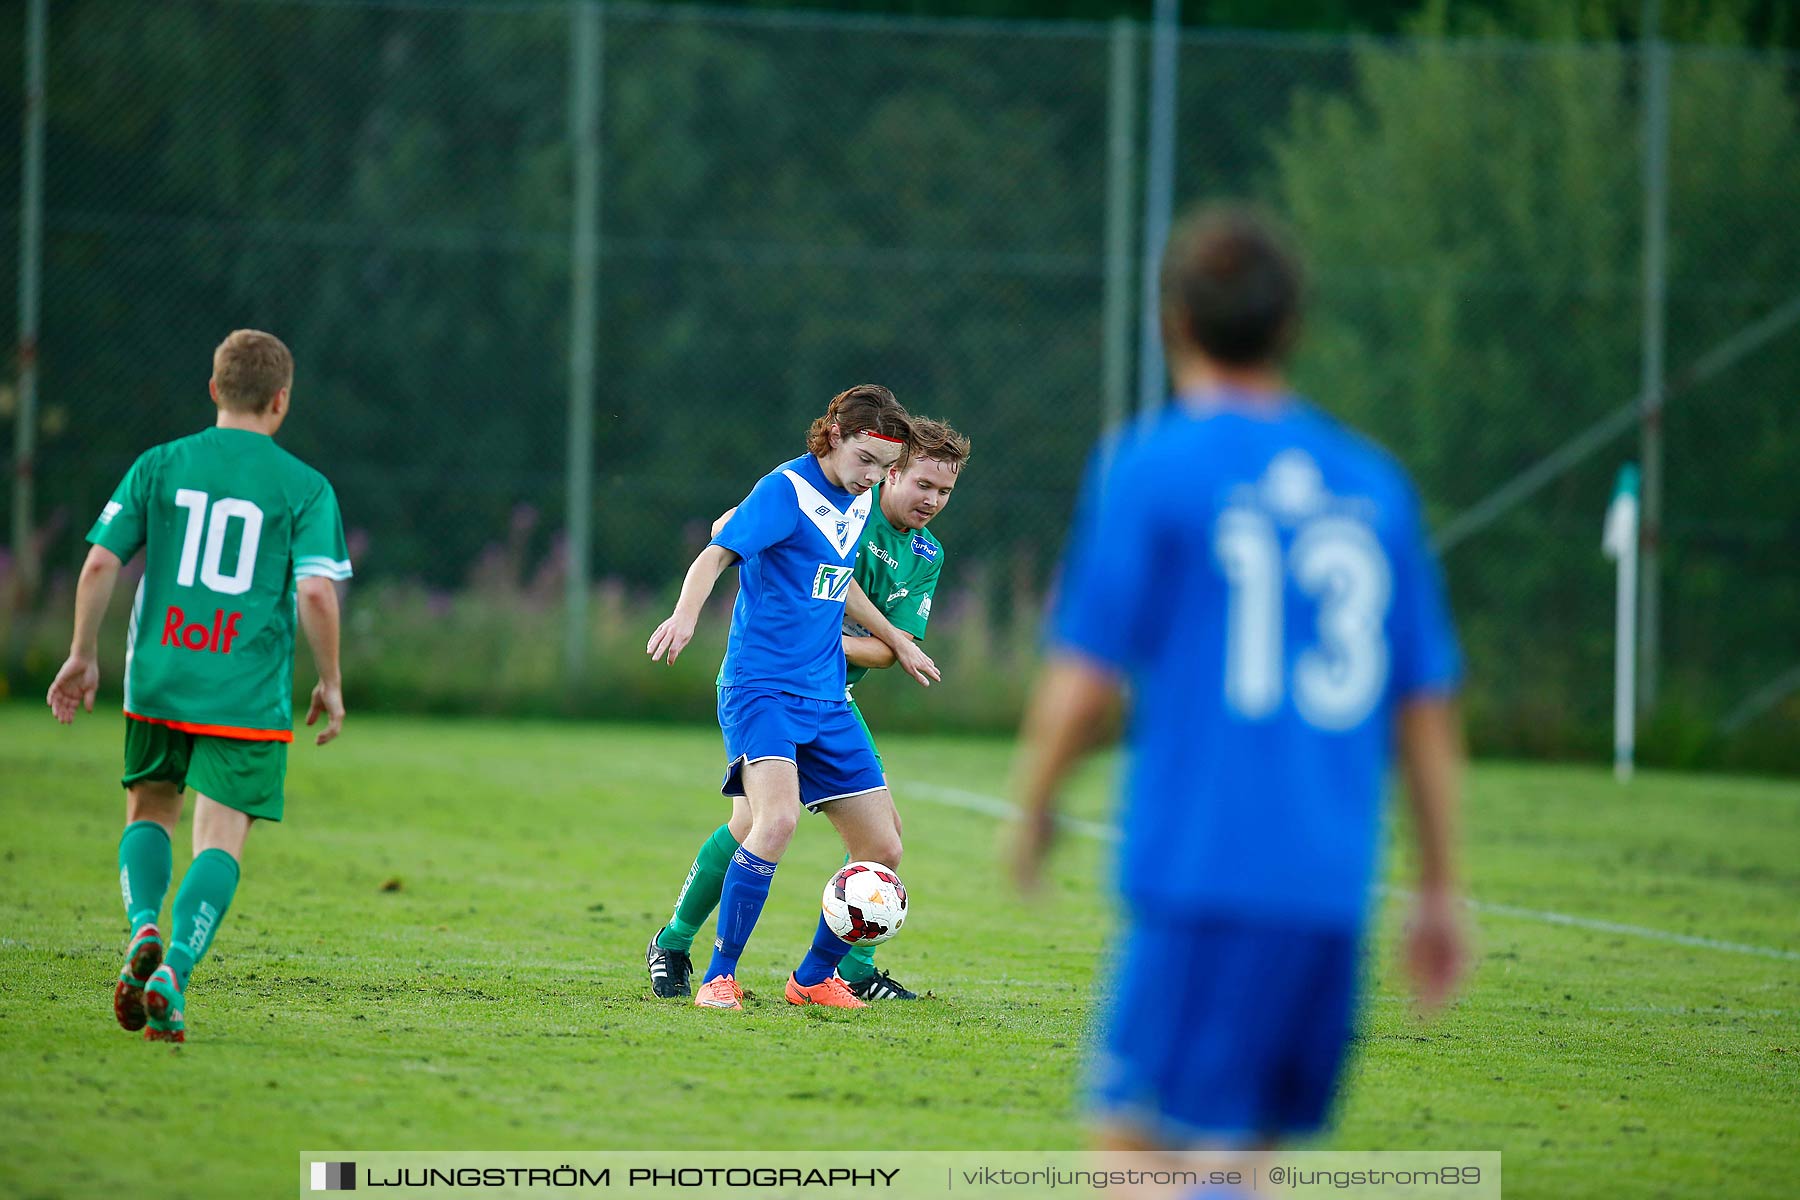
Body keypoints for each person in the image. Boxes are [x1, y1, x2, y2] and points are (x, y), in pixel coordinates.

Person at [1013, 206, 1468, 1151]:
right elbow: (1424, 703)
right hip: (1331, 894)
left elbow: (1085, 679)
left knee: (1136, 1151)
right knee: (1245, 1154)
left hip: (1204, 879)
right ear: (1292, 326)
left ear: (1172, 319)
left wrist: (1037, 805)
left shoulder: (1152, 467)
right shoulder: (1373, 485)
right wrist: (1437, 885)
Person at [46, 329, 350, 1044]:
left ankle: (142, 926)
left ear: (214, 390)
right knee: (221, 834)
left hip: (159, 680)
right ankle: (173, 970)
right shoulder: (303, 487)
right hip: (244, 694)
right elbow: (314, 594)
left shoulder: (159, 466)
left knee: (149, 811)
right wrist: (331, 681)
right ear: (281, 401)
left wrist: (82, 655)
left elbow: (98, 566)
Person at [646, 418, 970, 1003]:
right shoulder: (842, 497)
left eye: (944, 491)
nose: (932, 500)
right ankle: (687, 950)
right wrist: (800, 627)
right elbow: (732, 531)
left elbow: (862, 619)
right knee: (763, 825)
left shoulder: (923, 552)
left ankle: (834, 972)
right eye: (921, 483)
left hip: (831, 695)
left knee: (880, 841)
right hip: (769, 685)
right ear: (887, 471)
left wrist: (888, 642)